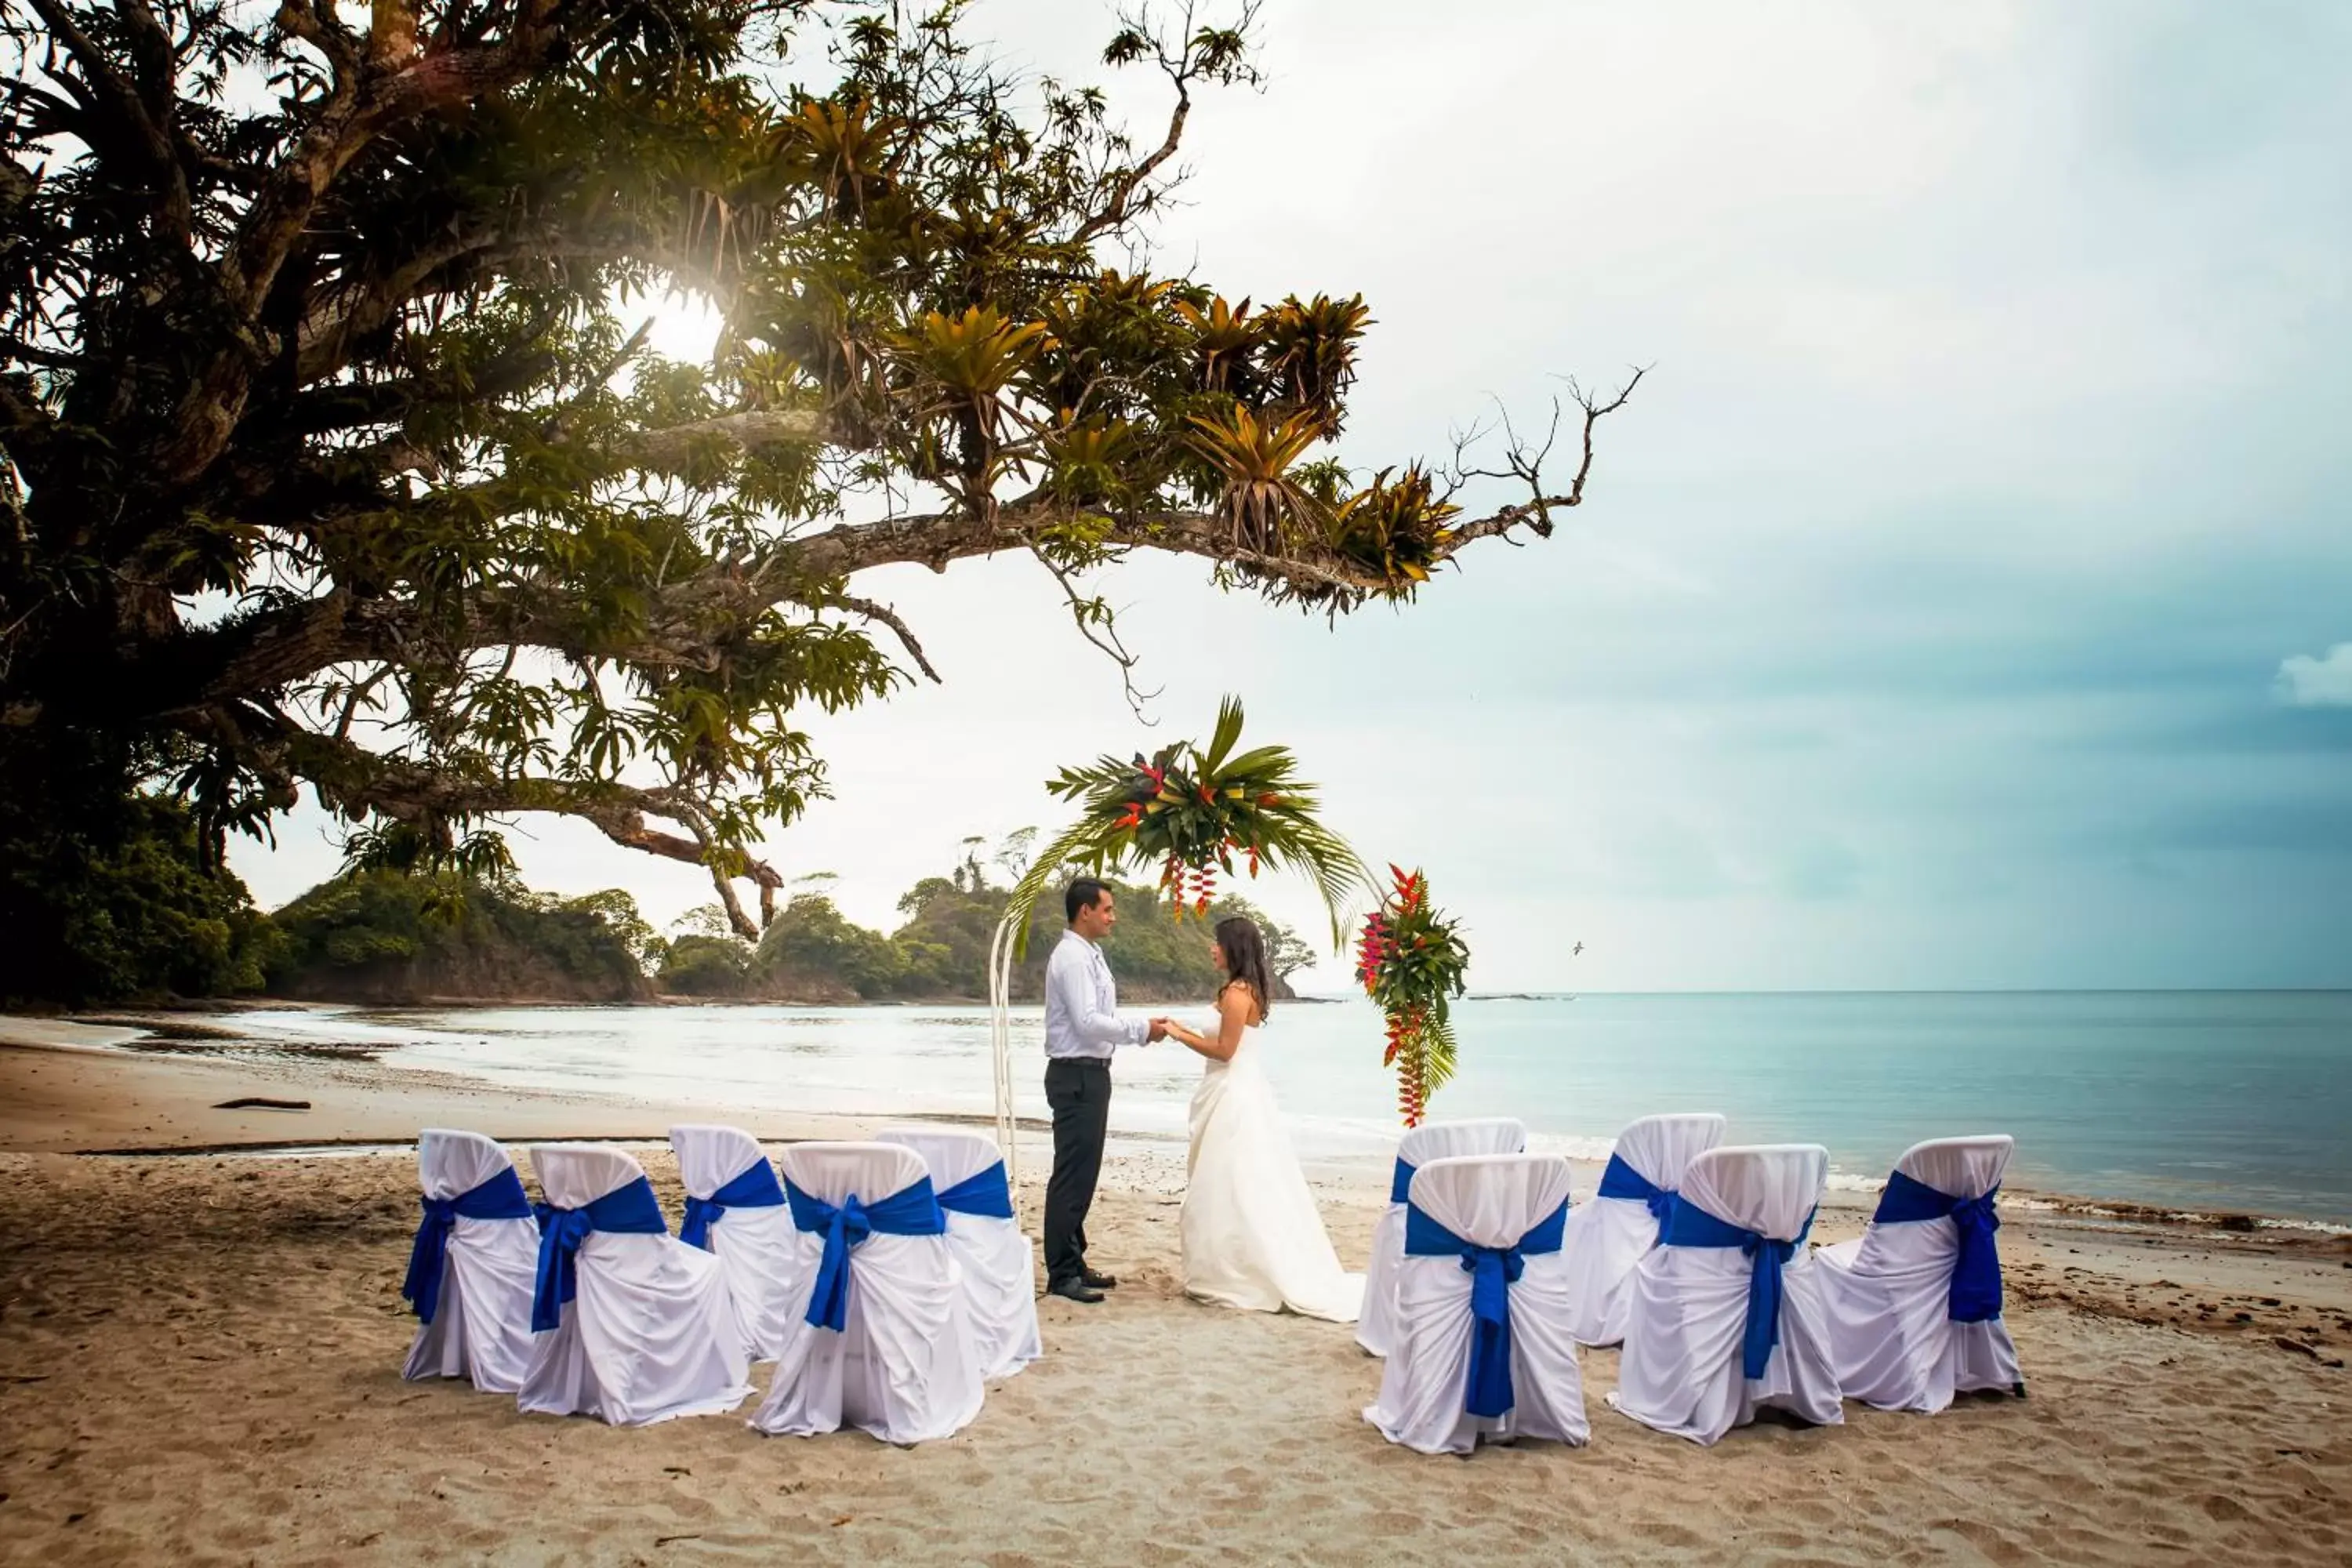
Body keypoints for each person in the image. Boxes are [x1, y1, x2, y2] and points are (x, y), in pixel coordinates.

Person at [1161, 914, 1363, 1323]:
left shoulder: (1238, 993)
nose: (1211, 948)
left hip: (1234, 1093)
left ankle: (1237, 1271)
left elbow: (1224, 1051)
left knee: (1232, 1180)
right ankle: (1225, 1263)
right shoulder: (1243, 989)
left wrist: (1178, 1033)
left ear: (1232, 947)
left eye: (1216, 943)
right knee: (1228, 1182)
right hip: (1231, 1090)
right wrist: (1183, 1029)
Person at [1041, 878, 1168, 1305]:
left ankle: (1074, 1260)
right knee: (1072, 1175)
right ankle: (1061, 1273)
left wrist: (1138, 1029)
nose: (1113, 917)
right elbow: (1088, 1021)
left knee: (1085, 1173)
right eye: (1108, 909)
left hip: (1092, 1072)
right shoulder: (1072, 958)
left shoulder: (1089, 954)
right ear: (1085, 912)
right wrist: (1141, 1030)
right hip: (1075, 1074)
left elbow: (1098, 1018)